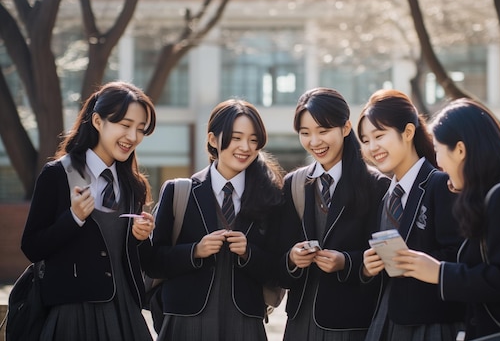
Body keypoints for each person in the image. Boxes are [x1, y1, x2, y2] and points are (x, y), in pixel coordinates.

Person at [394, 98, 500, 339]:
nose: (439, 164)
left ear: (461, 150)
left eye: (439, 151)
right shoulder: (493, 194)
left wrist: (440, 273)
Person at [20, 81, 157, 340]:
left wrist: (141, 239)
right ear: (97, 121)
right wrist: (72, 219)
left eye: (141, 129)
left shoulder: (133, 185)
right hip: (74, 316)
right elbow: (31, 247)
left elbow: (142, 261)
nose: (133, 137)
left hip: (125, 315)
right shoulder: (58, 175)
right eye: (125, 125)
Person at [145, 99, 284, 341]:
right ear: (212, 139)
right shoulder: (179, 192)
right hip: (186, 320)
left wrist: (248, 253)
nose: (246, 147)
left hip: (244, 322)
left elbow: (278, 271)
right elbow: (153, 262)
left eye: (253, 140)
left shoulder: (270, 198)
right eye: (237, 137)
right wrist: (195, 251)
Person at [277, 87, 390, 341]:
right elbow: (279, 256)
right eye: (305, 133)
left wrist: (345, 262)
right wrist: (293, 258)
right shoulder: (293, 184)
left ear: (346, 128)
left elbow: (384, 258)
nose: (314, 142)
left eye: (323, 131)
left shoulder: (376, 186)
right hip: (299, 322)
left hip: (349, 324)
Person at [357, 89, 465, 341]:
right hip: (387, 322)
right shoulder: (384, 195)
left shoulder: (441, 184)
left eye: (379, 135)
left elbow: (460, 256)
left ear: (407, 132)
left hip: (432, 325)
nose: (372, 147)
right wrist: (368, 269)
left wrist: (412, 261)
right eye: (365, 140)